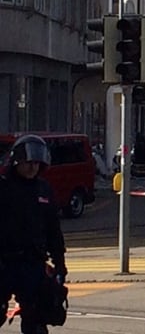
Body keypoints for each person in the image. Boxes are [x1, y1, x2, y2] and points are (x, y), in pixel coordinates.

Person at [0, 135, 67, 334]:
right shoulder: (3, 187)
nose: (33, 168)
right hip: (3, 263)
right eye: (28, 163)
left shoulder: (43, 189)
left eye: (37, 163)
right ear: (16, 161)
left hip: (33, 264)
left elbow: (54, 230)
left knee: (37, 317)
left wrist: (60, 264)